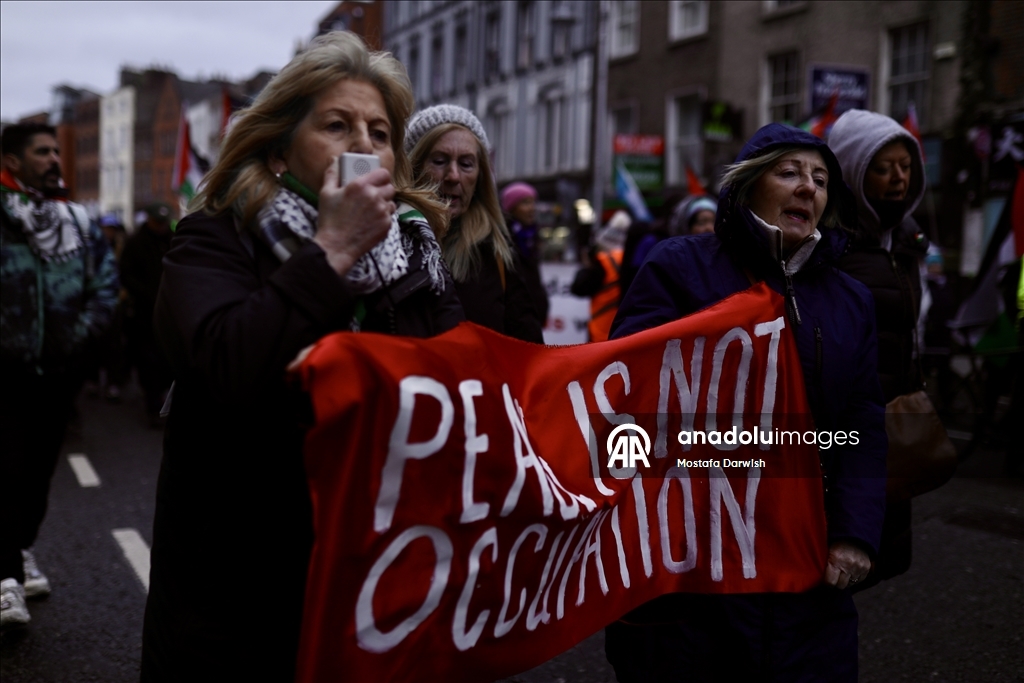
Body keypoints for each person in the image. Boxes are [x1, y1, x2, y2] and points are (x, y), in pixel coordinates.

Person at [140, 32, 462, 681]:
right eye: (337, 125)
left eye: (379, 131)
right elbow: (226, 366)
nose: (362, 144)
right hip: (240, 582)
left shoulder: (417, 256)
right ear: (280, 149)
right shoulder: (215, 239)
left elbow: (460, 388)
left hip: (372, 569)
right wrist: (332, 251)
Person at [605, 123, 887, 681]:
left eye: (821, 180)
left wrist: (853, 532)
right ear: (749, 185)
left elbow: (861, 423)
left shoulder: (850, 299)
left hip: (805, 565)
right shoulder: (678, 267)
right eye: (790, 173)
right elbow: (624, 396)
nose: (808, 188)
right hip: (693, 562)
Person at [0, 122, 119, 630]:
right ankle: (5, 576)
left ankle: (19, 549)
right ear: (12, 161)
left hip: (58, 373)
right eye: (42, 152)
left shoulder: (77, 220)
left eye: (55, 151)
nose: (54, 159)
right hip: (5, 373)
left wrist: (81, 338)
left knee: (37, 475)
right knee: (6, 469)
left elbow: (105, 284)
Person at [828, 108, 929, 587]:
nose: (898, 178)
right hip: (843, 422)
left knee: (874, 552)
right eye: (883, 167)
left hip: (894, 417)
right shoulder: (830, 245)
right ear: (852, 172)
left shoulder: (906, 241)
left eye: (905, 166)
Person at [406, 104, 544, 342]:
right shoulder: (385, 245)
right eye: (439, 161)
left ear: (481, 177)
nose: (453, 176)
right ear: (412, 167)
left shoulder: (498, 253)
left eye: (466, 164)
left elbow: (530, 350)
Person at [120, 202, 175, 424]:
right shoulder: (136, 243)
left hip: (170, 312)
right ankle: (153, 405)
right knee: (148, 360)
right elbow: (126, 274)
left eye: (163, 222)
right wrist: (147, 294)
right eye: (157, 222)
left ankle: (163, 398)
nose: (160, 226)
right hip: (145, 313)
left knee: (168, 360)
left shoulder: (174, 240)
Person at [570, 210, 630, 342]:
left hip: (601, 333)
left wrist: (587, 266)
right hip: (625, 334)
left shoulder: (602, 263)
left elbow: (578, 288)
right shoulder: (632, 261)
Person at [500, 181, 550, 324]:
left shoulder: (532, 237)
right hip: (512, 319)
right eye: (525, 202)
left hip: (532, 316)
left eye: (533, 202)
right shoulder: (502, 239)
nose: (532, 208)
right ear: (511, 207)